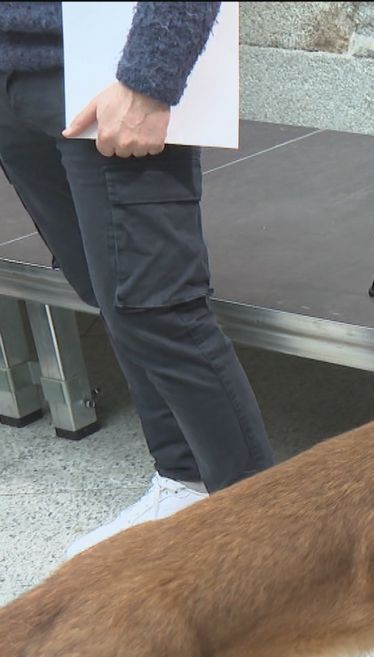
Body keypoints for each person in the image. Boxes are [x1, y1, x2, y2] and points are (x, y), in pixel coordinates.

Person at [0, 2, 273, 558]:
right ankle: (185, 482)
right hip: (14, 75)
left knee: (158, 309)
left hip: (104, 60)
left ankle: (268, 545)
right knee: (105, 290)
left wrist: (149, 78)